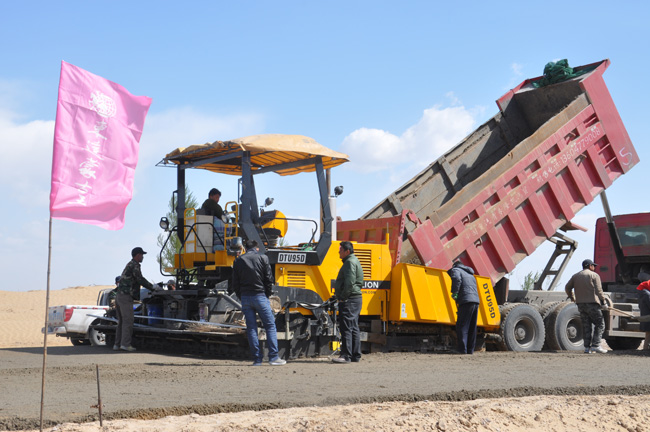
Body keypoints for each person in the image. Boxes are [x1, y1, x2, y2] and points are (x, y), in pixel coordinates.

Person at [232, 239, 286, 366]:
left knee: (251, 329)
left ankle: (257, 360)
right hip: (260, 296)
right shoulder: (263, 258)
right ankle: (273, 357)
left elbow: (235, 283)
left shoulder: (238, 260)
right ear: (257, 248)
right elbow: (268, 279)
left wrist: (242, 296)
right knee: (270, 326)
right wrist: (267, 294)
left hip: (245, 297)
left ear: (245, 248)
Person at [114, 247, 154, 352]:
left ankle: (117, 344)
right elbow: (140, 279)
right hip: (126, 296)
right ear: (137, 255)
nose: (143, 257)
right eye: (142, 255)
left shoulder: (129, 264)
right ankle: (125, 345)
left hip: (119, 296)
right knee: (128, 321)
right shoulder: (134, 265)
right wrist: (153, 287)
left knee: (121, 321)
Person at [565, 259, 609, 354]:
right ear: (590, 266)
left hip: (580, 305)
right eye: (593, 265)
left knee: (586, 325)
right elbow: (599, 290)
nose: (594, 267)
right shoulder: (594, 275)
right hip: (592, 304)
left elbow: (567, 287)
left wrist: (572, 297)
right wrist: (604, 302)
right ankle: (596, 346)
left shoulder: (575, 276)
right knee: (600, 324)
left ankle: (586, 348)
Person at [331, 241, 364, 364]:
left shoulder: (349, 262)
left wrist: (343, 297)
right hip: (355, 298)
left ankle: (346, 356)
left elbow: (349, 282)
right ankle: (355, 355)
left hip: (350, 299)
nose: (339, 251)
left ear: (347, 251)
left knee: (346, 328)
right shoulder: (353, 260)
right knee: (353, 327)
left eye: (341, 249)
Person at [448, 261, 480, 354]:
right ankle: (470, 350)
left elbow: (456, 279)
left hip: (466, 301)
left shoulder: (456, 270)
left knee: (462, 326)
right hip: (475, 301)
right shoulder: (470, 274)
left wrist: (455, 292)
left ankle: (462, 350)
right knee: (472, 327)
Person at [637, 280, 650, 350]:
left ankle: (645, 349)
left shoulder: (643, 293)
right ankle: (645, 350)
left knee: (648, 336)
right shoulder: (647, 294)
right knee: (648, 335)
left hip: (646, 317)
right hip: (648, 318)